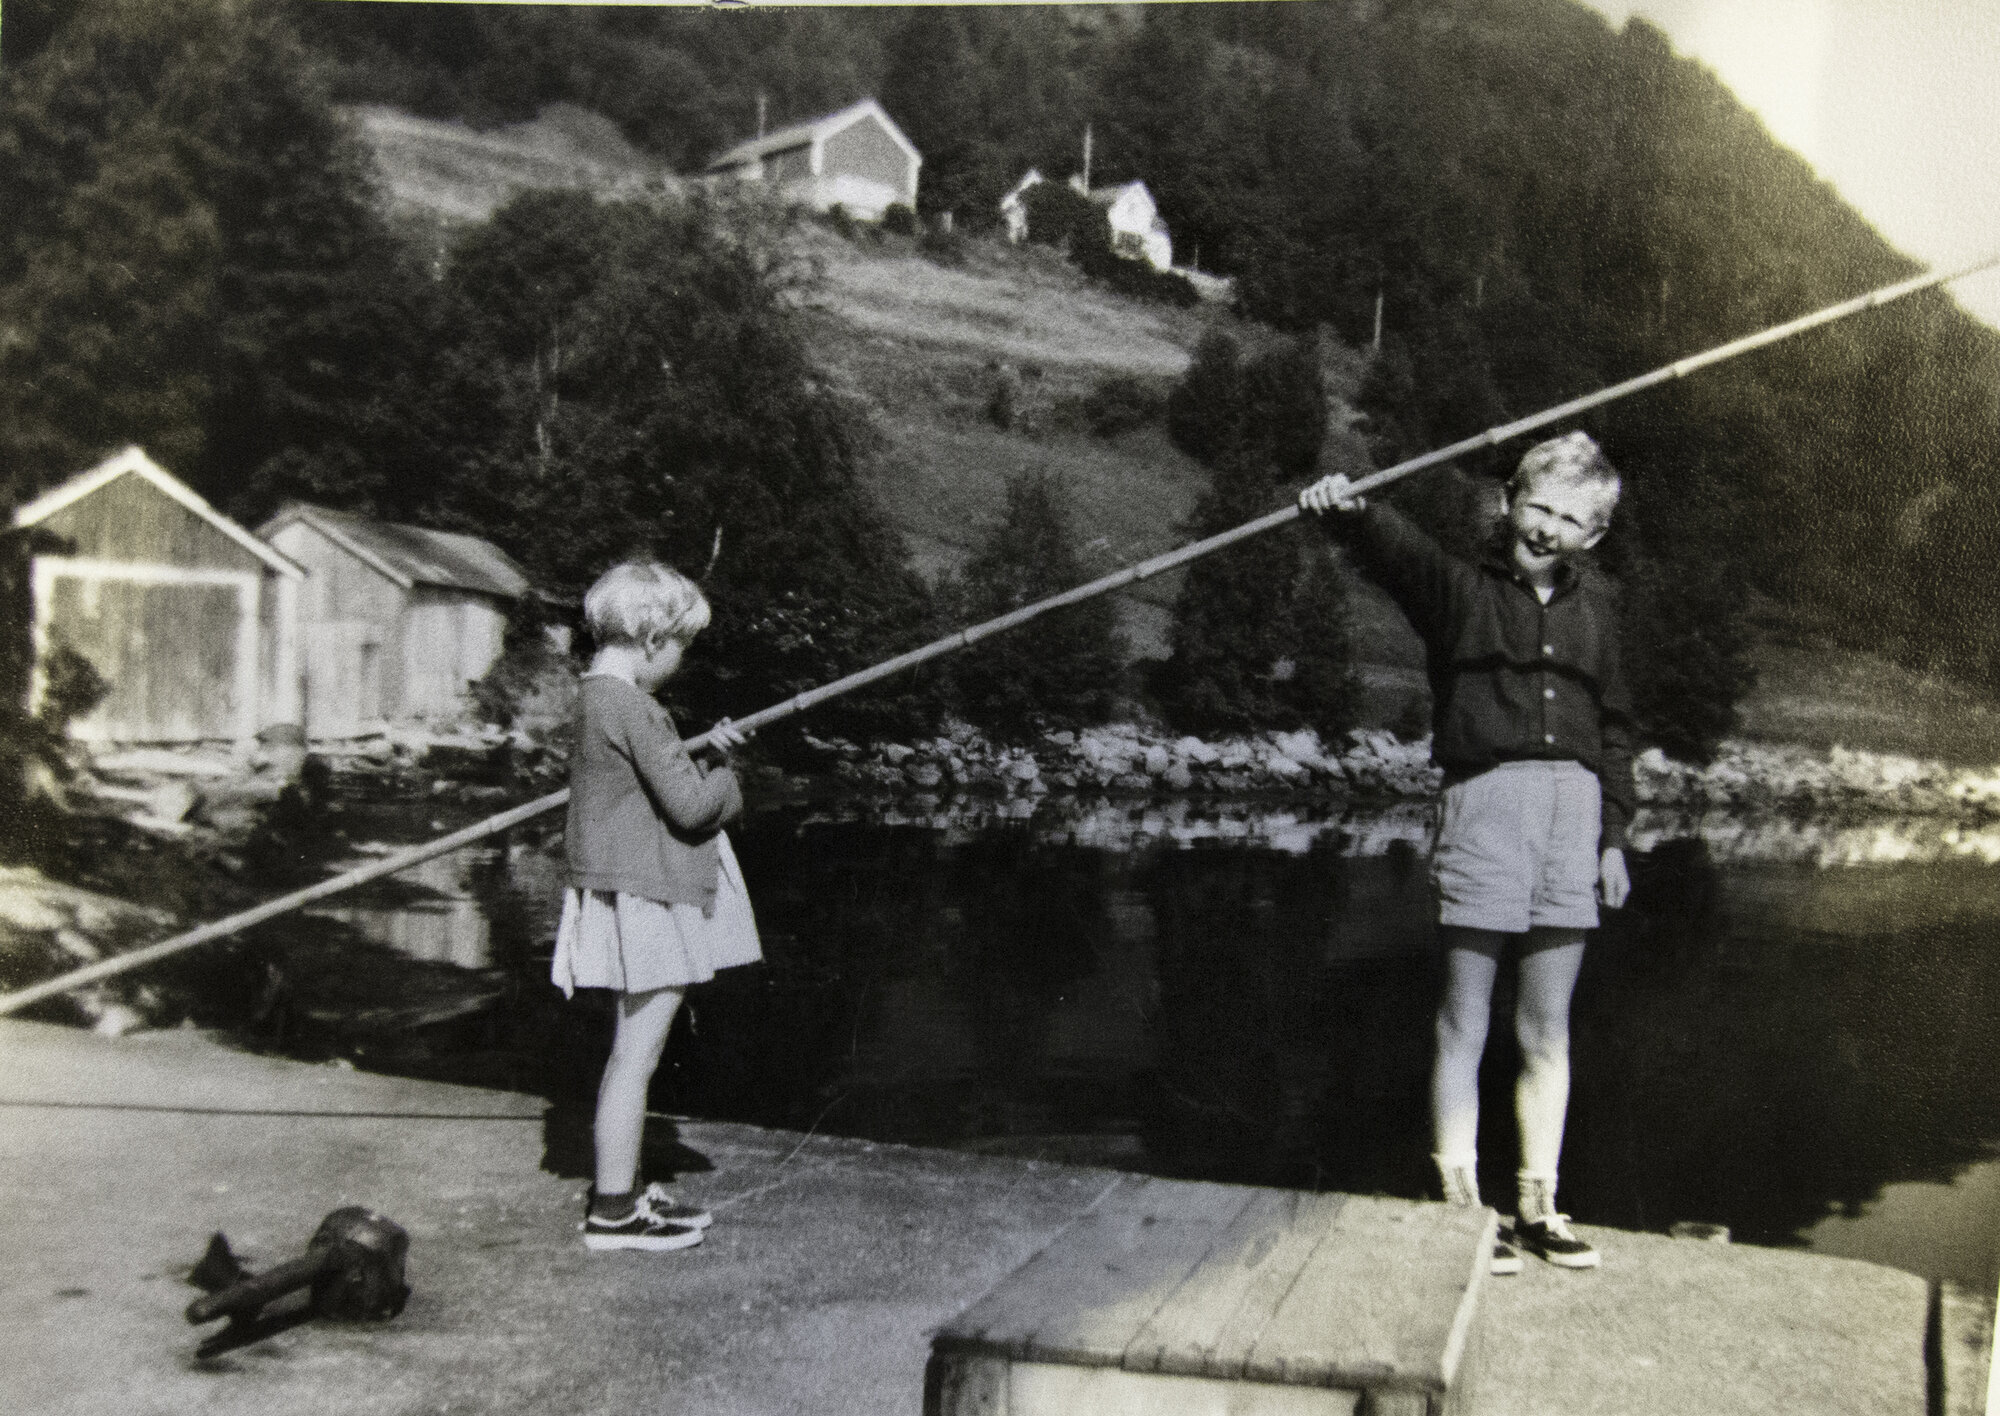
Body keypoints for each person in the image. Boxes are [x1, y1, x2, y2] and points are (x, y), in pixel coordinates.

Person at [1298, 431, 1634, 1273]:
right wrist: (1351, 510)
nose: (1548, 527)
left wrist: (1614, 838)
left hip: (1575, 814)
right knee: (1463, 1018)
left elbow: (1617, 730)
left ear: (1593, 535)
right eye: (1538, 506)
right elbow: (1398, 549)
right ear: (1509, 503)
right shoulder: (1461, 594)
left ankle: (1539, 1206)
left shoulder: (1601, 611)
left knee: (1547, 1027)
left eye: (1570, 518)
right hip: (1486, 808)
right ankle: (1460, 1205)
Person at [552, 561, 762, 1252]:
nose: (680, 661)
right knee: (636, 1057)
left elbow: (641, 777)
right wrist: (731, 772)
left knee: (627, 1054)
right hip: (648, 897)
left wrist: (694, 750)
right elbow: (692, 806)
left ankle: (623, 1189)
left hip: (618, 892)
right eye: (681, 647)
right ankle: (614, 1214)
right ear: (651, 638)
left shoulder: (593, 697)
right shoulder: (636, 706)